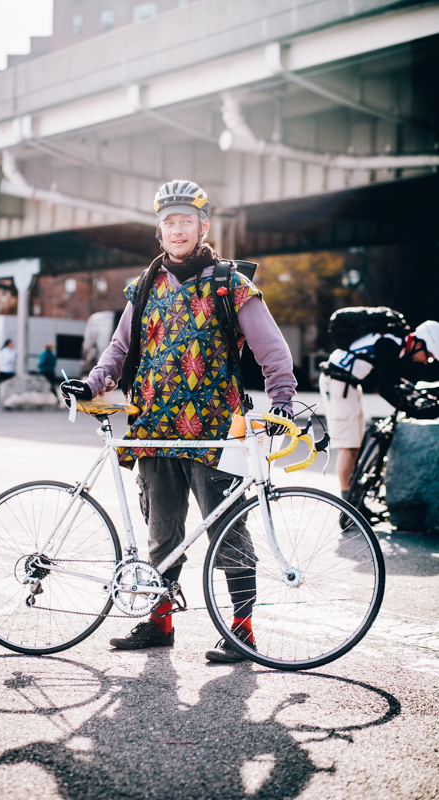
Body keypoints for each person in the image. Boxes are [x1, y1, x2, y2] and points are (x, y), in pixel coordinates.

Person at [61, 180, 296, 663]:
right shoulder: (143, 287)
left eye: (186, 220)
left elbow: (271, 349)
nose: (178, 229)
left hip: (216, 427)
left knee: (228, 531)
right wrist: (95, 382)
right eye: (169, 222)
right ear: (159, 231)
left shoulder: (231, 284)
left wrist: (283, 401)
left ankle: (242, 631)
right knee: (162, 534)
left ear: (203, 226)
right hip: (154, 427)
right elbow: (120, 349)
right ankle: (160, 621)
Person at [319, 316, 439, 499]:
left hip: (349, 383)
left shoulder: (395, 343)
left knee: (356, 441)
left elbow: (392, 381)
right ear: (420, 343)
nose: (426, 361)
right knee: (348, 444)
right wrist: (414, 411)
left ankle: (353, 495)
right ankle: (347, 503)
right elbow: (386, 389)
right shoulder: (390, 343)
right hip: (337, 382)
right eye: (429, 356)